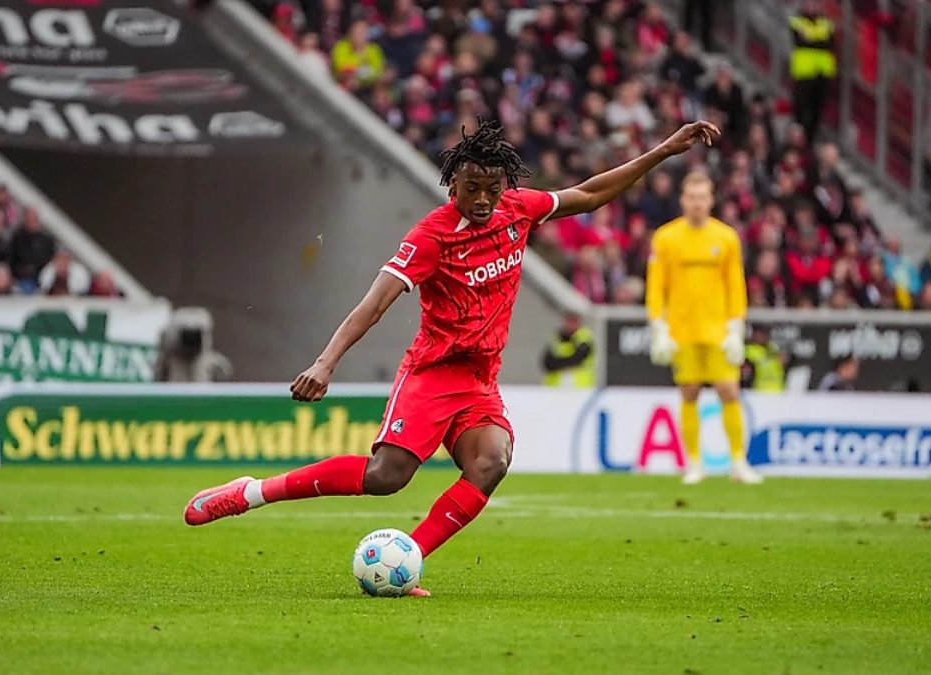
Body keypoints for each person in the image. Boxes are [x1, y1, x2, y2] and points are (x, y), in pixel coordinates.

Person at [182, 118, 721, 594]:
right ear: (452, 185)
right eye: (471, 189)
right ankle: (250, 492)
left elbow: (589, 192)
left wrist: (663, 151)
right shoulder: (432, 236)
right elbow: (375, 304)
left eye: (492, 188)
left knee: (492, 460)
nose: (483, 200)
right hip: (432, 374)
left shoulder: (519, 210)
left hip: (480, 381)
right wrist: (326, 361)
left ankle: (406, 561)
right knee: (386, 477)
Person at [646, 172, 761, 485]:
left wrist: (736, 327)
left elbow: (735, 285)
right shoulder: (666, 238)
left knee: (729, 390)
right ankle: (694, 464)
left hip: (718, 330)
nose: (697, 203)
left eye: (702, 197)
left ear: (711, 200)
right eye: (691, 197)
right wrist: (658, 326)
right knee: (689, 392)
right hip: (682, 330)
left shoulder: (726, 238)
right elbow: (657, 286)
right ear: (683, 200)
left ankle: (738, 462)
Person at [789, 0, 837, 139]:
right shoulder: (797, 21)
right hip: (804, 71)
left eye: (814, 4)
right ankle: (797, 134)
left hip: (822, 72)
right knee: (801, 106)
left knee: (817, 107)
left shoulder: (826, 23)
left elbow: (829, 44)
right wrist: (818, 41)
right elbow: (799, 42)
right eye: (808, 4)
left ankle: (811, 136)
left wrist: (810, 40)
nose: (811, 7)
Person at [541, 311, 596, 387]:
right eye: (569, 321)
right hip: (555, 388)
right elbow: (547, 363)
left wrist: (559, 363)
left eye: (574, 321)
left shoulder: (584, 337)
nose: (571, 325)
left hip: (579, 388)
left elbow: (577, 358)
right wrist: (565, 364)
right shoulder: (556, 337)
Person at [742, 324, 787, 392]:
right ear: (754, 334)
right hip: (758, 392)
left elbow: (782, 366)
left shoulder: (773, 348)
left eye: (766, 332)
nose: (764, 336)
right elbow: (746, 374)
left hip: (778, 391)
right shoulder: (748, 350)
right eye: (760, 333)